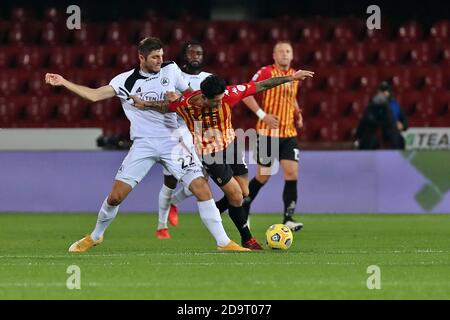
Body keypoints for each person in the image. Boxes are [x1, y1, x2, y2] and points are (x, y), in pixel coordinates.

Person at [45, 37, 249, 252]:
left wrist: (186, 103)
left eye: (161, 55)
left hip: (175, 141)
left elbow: (190, 95)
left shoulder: (171, 69)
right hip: (144, 144)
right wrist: (64, 82)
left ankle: (223, 242)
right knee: (116, 197)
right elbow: (94, 96)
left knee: (202, 189)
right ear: (141, 57)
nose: (160, 60)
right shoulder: (125, 81)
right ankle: (95, 236)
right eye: (154, 57)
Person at [131, 70, 314, 249]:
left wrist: (291, 77)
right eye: (215, 101)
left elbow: (261, 85)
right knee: (235, 196)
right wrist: (145, 104)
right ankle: (247, 238)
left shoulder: (229, 94)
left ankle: (214, 211)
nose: (220, 103)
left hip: (231, 145)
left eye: (221, 99)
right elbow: (166, 106)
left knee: (244, 192)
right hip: (210, 154)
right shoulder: (185, 104)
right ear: (203, 97)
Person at [241, 41, 307, 232]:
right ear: (274, 55)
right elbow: (246, 93)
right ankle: (244, 205)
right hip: (267, 133)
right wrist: (264, 116)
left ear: (292, 55)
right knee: (264, 175)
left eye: (288, 51)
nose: (285, 54)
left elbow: (291, 96)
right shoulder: (266, 72)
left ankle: (288, 218)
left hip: (289, 133)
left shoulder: (294, 74)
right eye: (281, 51)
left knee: (292, 173)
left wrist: (298, 112)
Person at [156, 40, 212, 238]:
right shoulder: (175, 76)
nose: (196, 56)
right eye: (192, 53)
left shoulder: (209, 79)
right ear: (185, 56)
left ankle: (174, 203)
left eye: (199, 53)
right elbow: (168, 103)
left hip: (200, 134)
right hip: (176, 131)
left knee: (203, 178)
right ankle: (161, 226)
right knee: (170, 180)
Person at [356, 81, 407, 150]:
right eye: (381, 91)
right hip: (373, 136)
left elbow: (405, 123)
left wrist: (402, 125)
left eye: (385, 91)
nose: (383, 93)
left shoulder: (396, 106)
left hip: (391, 136)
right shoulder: (371, 107)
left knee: (399, 140)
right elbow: (363, 125)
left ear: (389, 92)